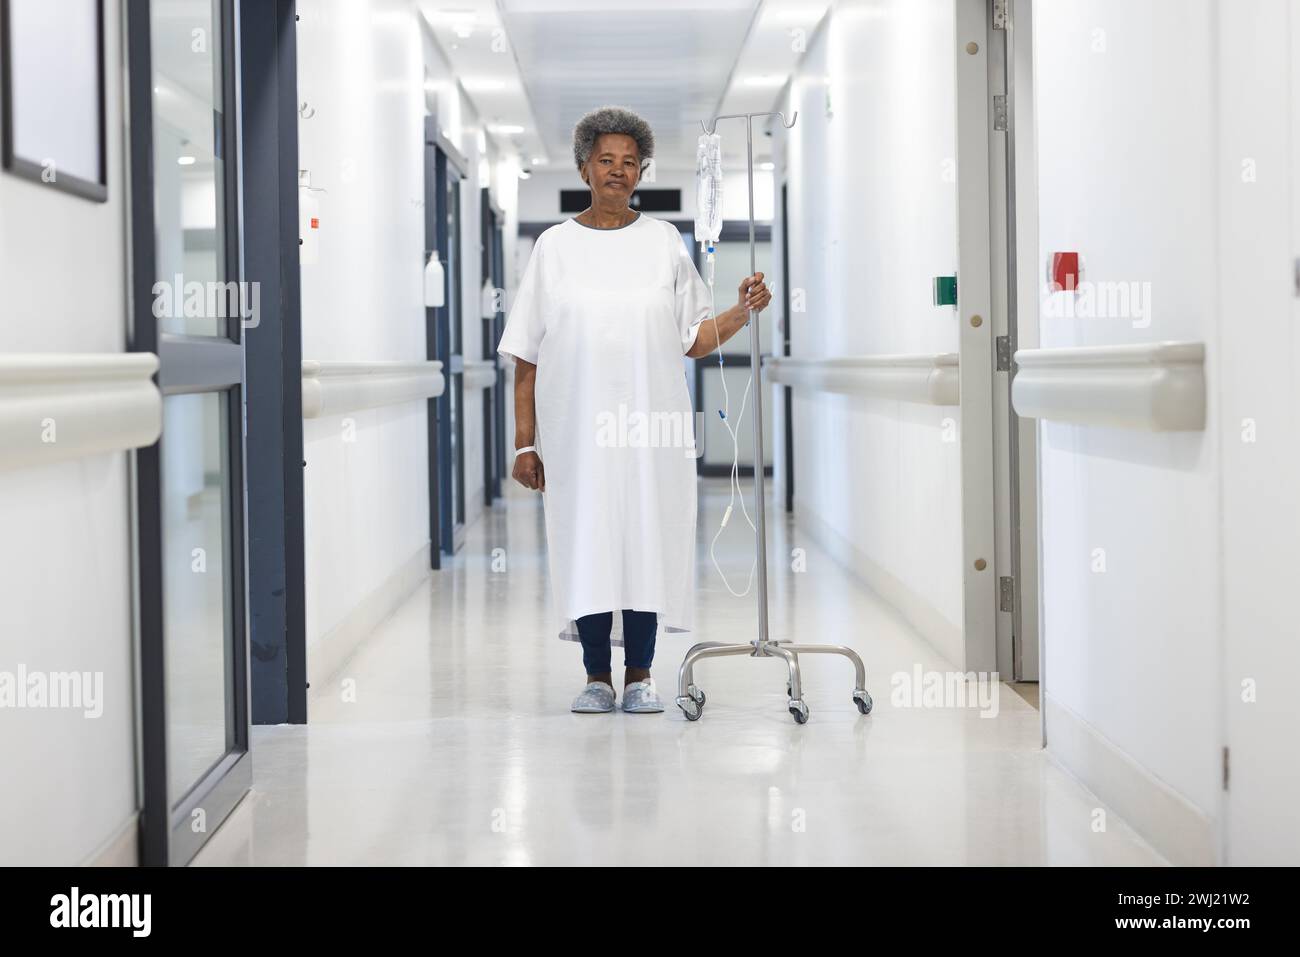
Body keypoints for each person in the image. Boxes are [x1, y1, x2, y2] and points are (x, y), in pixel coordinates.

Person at [497, 105, 770, 714]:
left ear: (640, 173)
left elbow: (695, 338)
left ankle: (642, 675)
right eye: (606, 161)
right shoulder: (553, 247)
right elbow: (526, 357)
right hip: (574, 432)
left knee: (648, 539)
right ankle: (597, 677)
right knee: (587, 541)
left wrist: (742, 310)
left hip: (653, 428)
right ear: (585, 168)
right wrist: (524, 443)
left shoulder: (664, 242)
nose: (618, 172)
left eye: (629, 163)